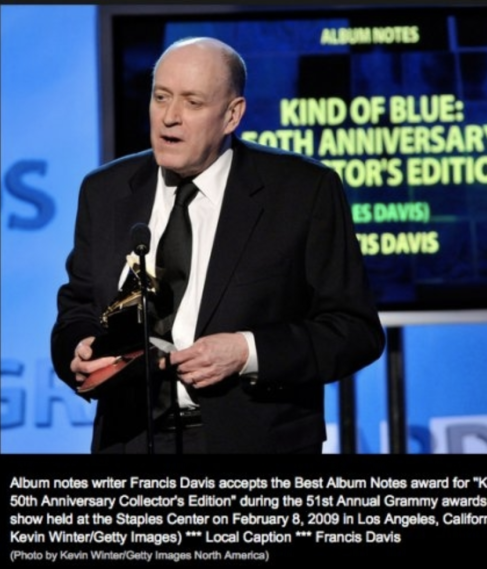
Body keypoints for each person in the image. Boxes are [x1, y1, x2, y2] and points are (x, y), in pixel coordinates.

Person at [51, 37, 385, 454]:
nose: (169, 117)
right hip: (131, 439)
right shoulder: (105, 190)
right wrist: (79, 349)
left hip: (254, 444)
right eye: (161, 97)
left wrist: (246, 351)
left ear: (232, 115)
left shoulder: (301, 191)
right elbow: (78, 307)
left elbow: (354, 331)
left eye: (192, 102)